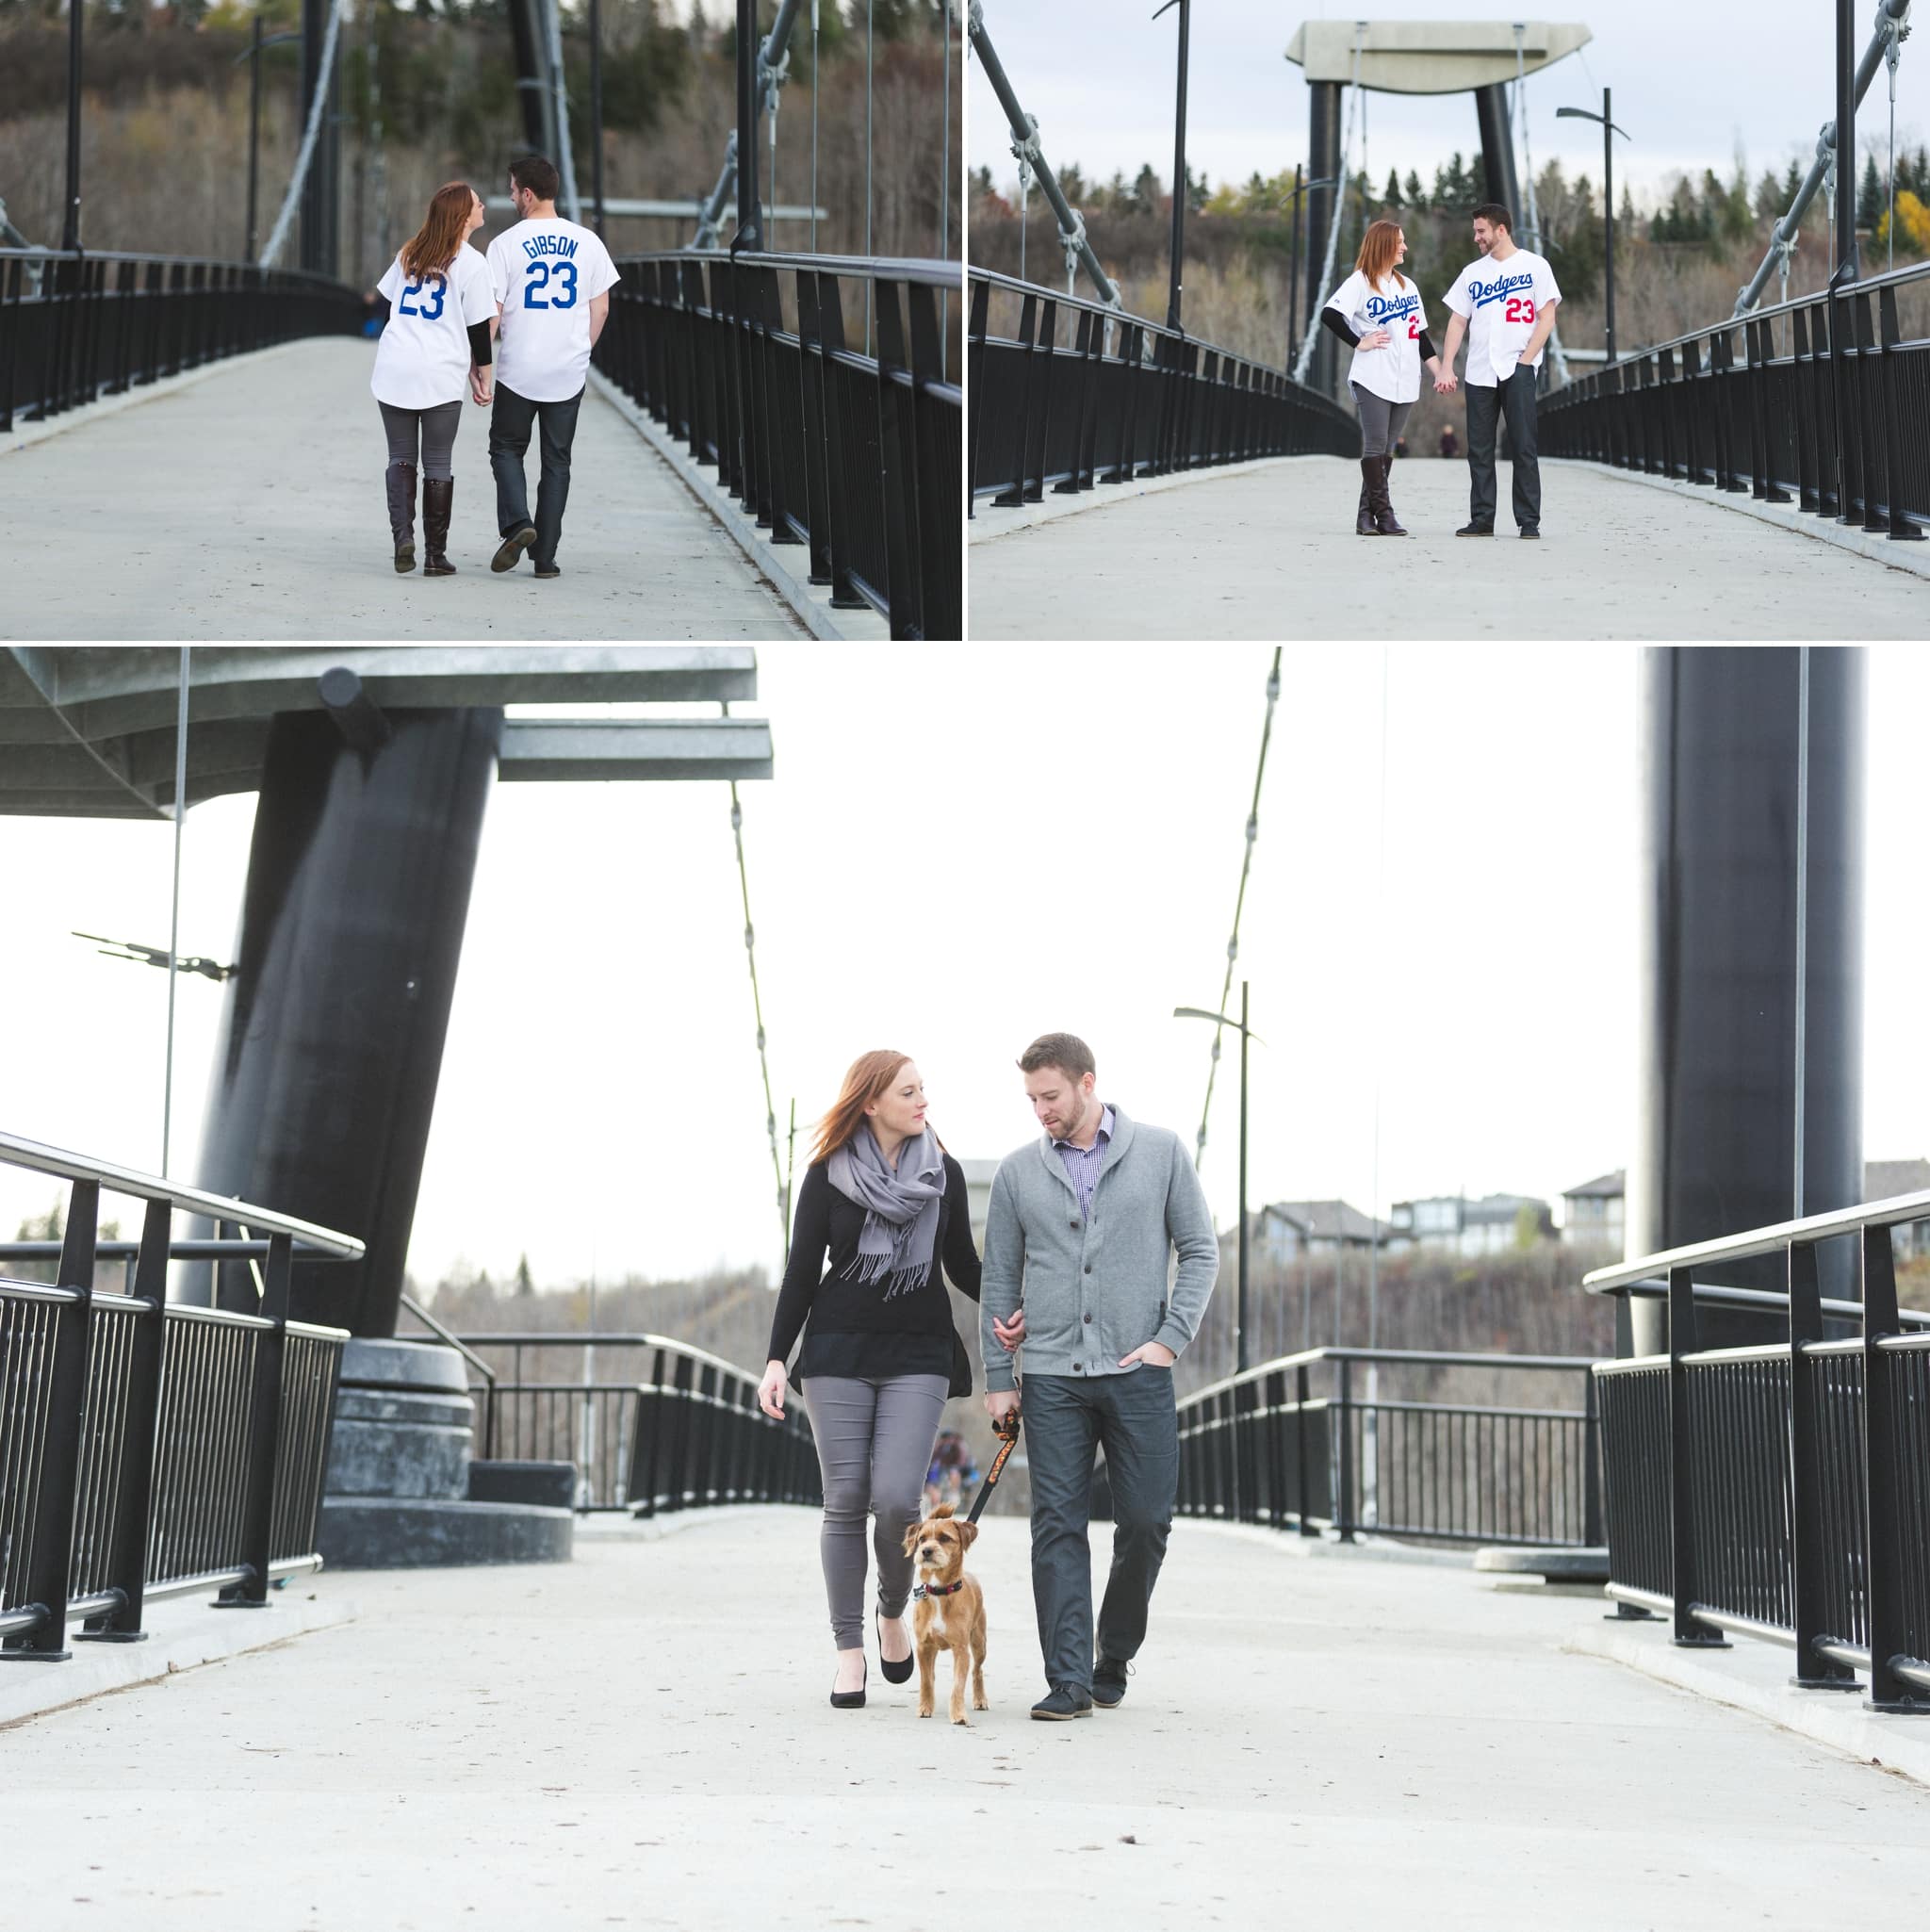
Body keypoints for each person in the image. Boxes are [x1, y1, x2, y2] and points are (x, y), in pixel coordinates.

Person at [757, 1051, 1023, 1710]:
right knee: (846, 1497)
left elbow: (961, 1261)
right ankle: (851, 1650)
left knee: (901, 1498)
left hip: (919, 1352)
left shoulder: (944, 1173)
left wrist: (1013, 1307)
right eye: (909, 1091)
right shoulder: (825, 1175)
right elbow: (799, 1271)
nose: (922, 1100)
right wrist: (773, 1359)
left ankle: (891, 1608)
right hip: (837, 1352)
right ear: (871, 1103)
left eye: (923, 1089)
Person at [980, 1032, 1218, 1721]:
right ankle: (1067, 1680)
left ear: (1089, 1083)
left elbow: (1201, 1251)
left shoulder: (1162, 1152)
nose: (1040, 1111)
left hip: (1136, 1371)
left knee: (1145, 1521)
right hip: (1052, 1373)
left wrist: (1169, 1341)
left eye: (1049, 1096)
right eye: (1031, 1099)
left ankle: (1112, 1652)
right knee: (1056, 1523)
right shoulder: (1018, 1172)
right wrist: (1001, 1375)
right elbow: (1000, 1279)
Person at [483, 155, 620, 580]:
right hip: (566, 370)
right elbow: (600, 309)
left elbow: (493, 312)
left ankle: (519, 523)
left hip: (519, 368)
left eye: (511, 189)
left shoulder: (504, 245)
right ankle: (545, 559)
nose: (509, 196)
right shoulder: (589, 243)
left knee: (506, 449)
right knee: (556, 463)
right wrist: (583, 350)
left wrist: (479, 363)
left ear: (527, 193)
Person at [368, 182, 497, 575]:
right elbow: (479, 329)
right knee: (438, 461)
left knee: (400, 457)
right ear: (463, 217)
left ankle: (403, 539)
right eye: (477, 204)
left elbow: (389, 305)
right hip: (439, 370)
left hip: (395, 365)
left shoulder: (410, 253)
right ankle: (434, 557)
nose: (483, 208)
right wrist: (483, 376)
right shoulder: (473, 264)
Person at [1434, 202, 1563, 539]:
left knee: (1523, 446)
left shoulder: (1536, 267)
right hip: (1479, 372)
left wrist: (1525, 362)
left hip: (1517, 368)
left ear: (1501, 230)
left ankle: (1528, 521)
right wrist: (1447, 365)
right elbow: (1457, 320)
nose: (1476, 237)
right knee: (1478, 449)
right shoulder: (1472, 273)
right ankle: (1482, 519)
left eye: (1481, 230)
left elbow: (1547, 317)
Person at [1318, 219, 1454, 537]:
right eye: (1400, 242)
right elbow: (1330, 315)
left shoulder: (1409, 286)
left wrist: (1441, 372)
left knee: (1388, 447)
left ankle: (1366, 516)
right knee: (1376, 444)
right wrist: (1359, 341)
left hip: (1406, 376)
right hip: (1373, 374)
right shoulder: (1361, 282)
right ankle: (1385, 514)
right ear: (1384, 245)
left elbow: (1420, 336)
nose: (1405, 247)